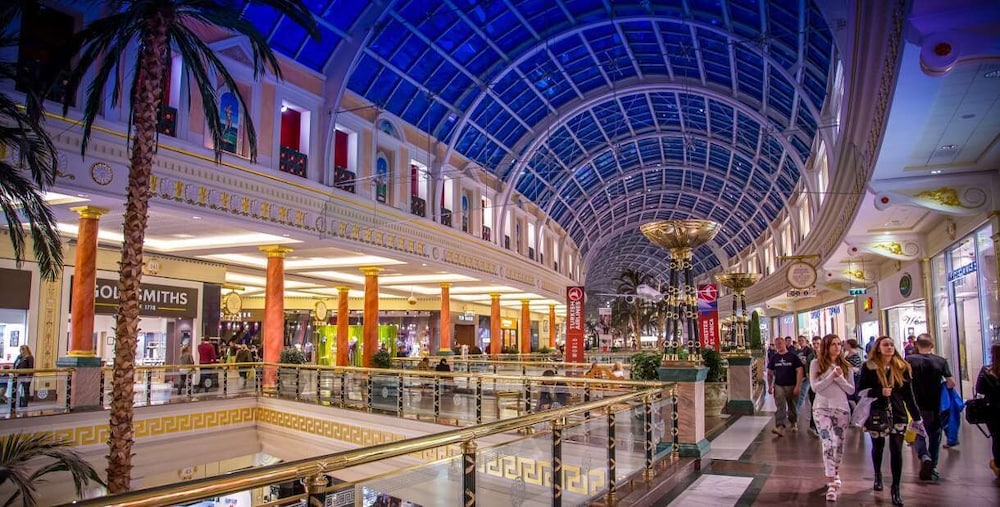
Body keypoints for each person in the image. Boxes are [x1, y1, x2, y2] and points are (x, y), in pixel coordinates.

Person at [858, 336, 922, 506]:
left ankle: (896, 488)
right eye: (885, 345)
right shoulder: (869, 366)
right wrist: (879, 391)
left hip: (898, 414)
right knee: (878, 447)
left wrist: (917, 417)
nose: (889, 347)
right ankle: (877, 475)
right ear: (878, 348)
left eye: (892, 345)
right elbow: (861, 390)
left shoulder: (902, 367)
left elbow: (909, 395)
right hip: (878, 413)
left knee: (896, 450)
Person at [810, 334, 855, 502]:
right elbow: (815, 387)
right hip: (821, 409)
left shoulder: (846, 365)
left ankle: (835, 473)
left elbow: (851, 390)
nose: (837, 347)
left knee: (839, 444)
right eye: (833, 344)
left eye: (838, 344)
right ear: (826, 347)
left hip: (841, 409)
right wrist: (831, 376)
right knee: (828, 443)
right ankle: (831, 482)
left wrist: (840, 378)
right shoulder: (816, 364)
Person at [905, 333, 954, 481]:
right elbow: (951, 383)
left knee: (919, 432)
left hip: (916, 404)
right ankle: (932, 467)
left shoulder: (909, 360)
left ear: (916, 345)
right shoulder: (941, 361)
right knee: (935, 435)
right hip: (935, 404)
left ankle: (924, 456)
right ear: (932, 345)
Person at [767, 336, 803, 436]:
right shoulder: (774, 358)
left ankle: (793, 422)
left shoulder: (793, 357)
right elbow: (770, 372)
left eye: (780, 343)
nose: (778, 346)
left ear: (784, 344)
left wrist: (798, 386)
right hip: (779, 385)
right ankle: (780, 426)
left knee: (792, 405)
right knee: (780, 405)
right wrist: (770, 386)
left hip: (791, 384)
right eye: (776, 344)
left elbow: (799, 371)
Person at [975, 341, 1000, 478]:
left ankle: (998, 465)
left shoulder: (986, 370)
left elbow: (979, 389)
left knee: (997, 438)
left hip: (993, 410)